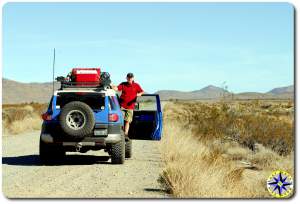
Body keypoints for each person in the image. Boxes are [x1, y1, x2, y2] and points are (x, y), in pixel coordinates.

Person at [111, 73, 144, 139]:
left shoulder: (136, 85)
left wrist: (139, 94)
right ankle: (120, 133)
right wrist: (112, 85)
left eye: (131, 77)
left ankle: (125, 134)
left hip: (130, 107)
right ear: (126, 78)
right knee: (120, 120)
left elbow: (142, 91)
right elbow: (117, 88)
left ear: (133, 78)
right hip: (122, 106)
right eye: (128, 77)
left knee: (128, 121)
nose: (129, 79)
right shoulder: (123, 84)